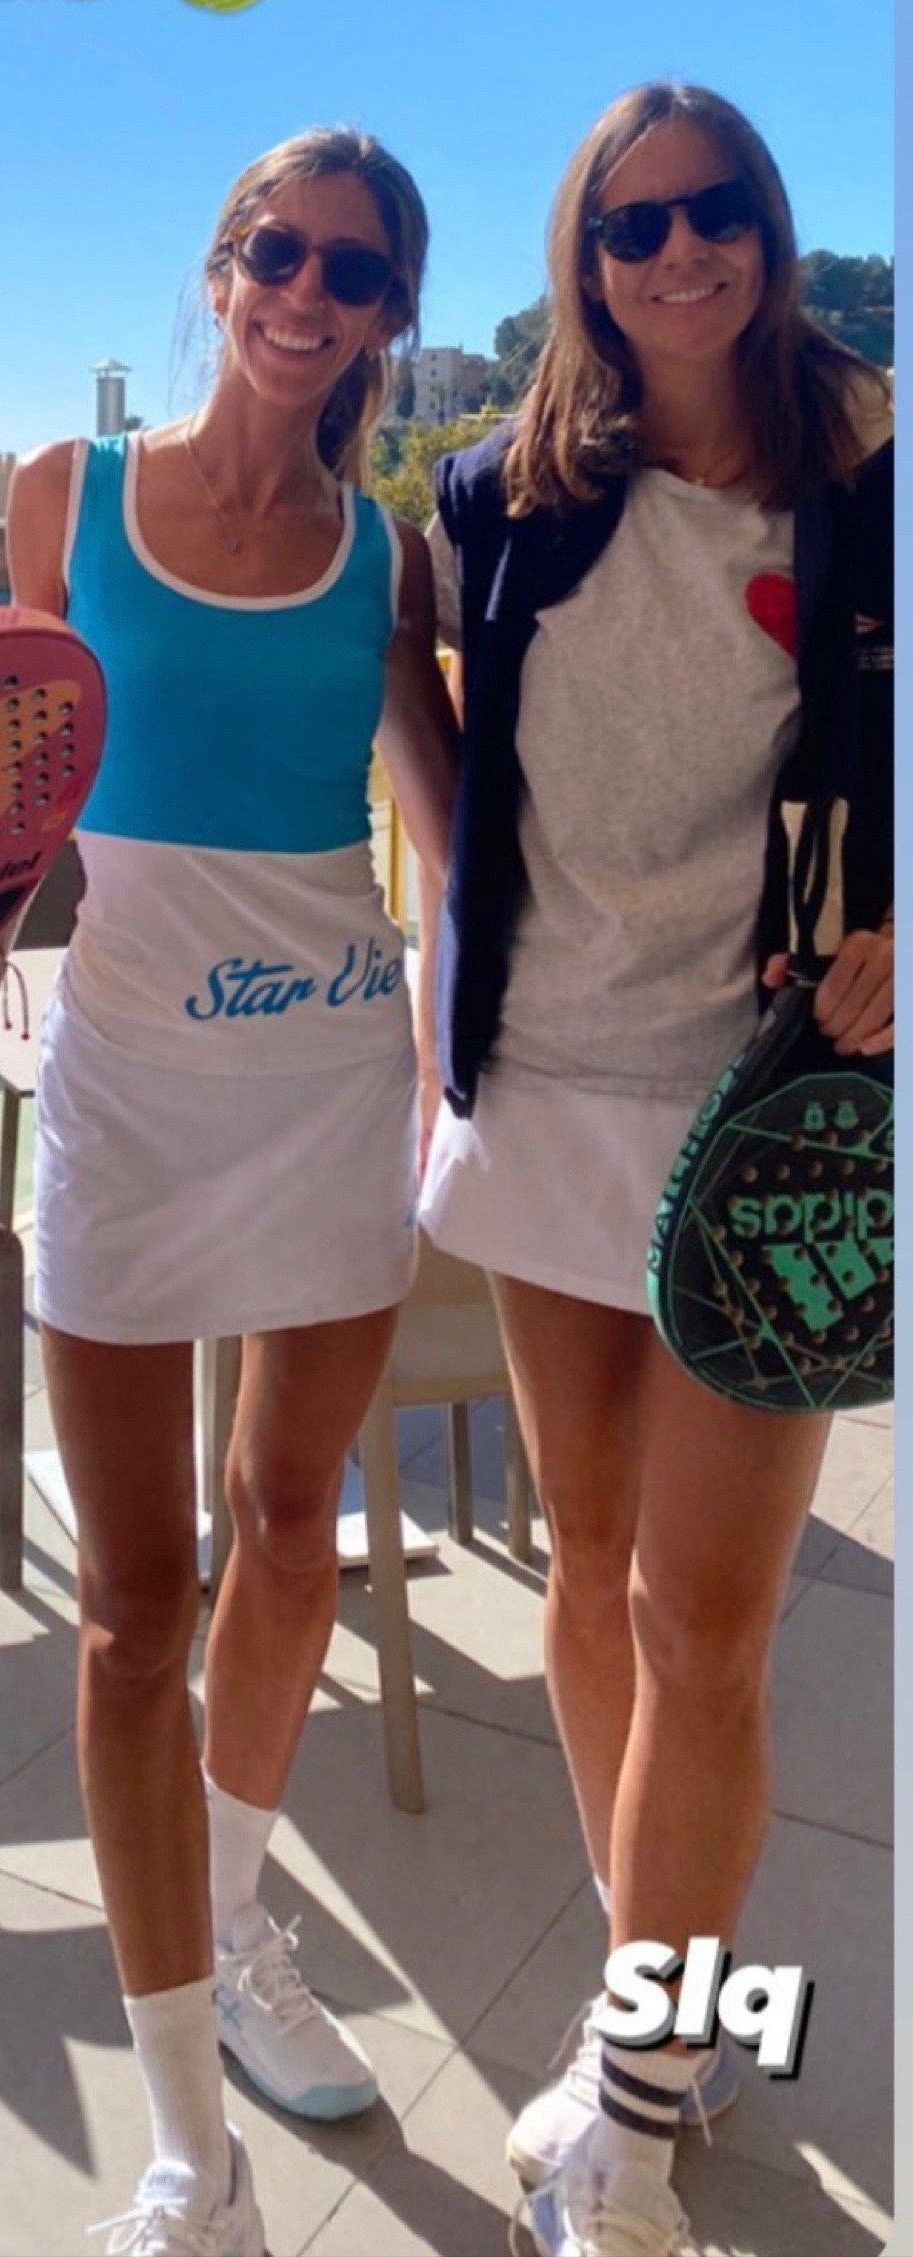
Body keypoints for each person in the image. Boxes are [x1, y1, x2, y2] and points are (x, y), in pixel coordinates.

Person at [0, 126, 457, 2257]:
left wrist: (482, 1047)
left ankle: (236, 1924)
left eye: (355, 269)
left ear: (390, 314)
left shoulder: (384, 558)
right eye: (279, 250)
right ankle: (188, 2160)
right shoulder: (68, 499)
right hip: (126, 1089)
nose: (309, 291)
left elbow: (449, 832)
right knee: (138, 1612)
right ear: (223, 272)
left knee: (291, 1531)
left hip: (328, 1073)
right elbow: (7, 797)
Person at [421, 81, 892, 2257]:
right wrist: (442, 925)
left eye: (714, 214)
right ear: (583, 260)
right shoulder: (501, 492)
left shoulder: (869, 470)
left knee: (705, 1625)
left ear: (769, 232)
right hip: (544, 1081)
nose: (678, 253)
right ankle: (668, 2019)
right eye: (633, 226)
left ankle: (621, 2131)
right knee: (592, 1564)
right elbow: (406, 699)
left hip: (771, 1109)